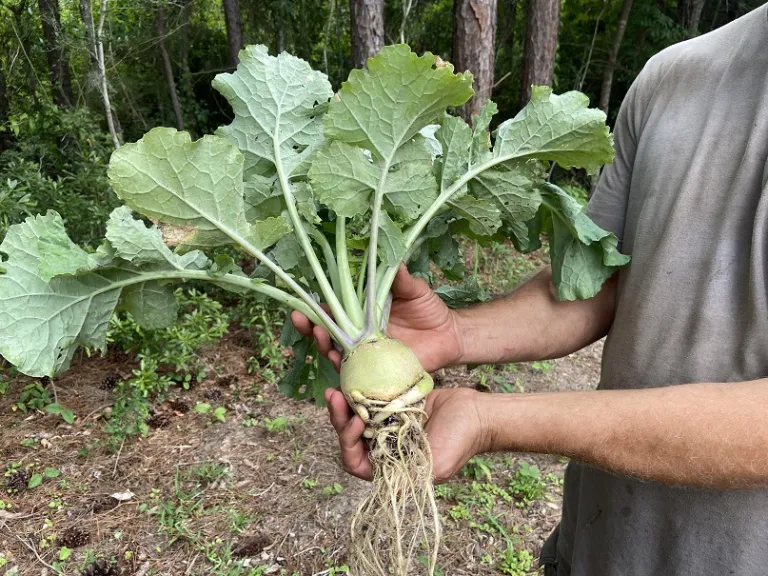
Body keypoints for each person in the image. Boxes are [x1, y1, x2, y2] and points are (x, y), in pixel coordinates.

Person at [292, 4, 768, 575]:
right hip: (601, 541)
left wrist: (492, 420)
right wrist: (456, 334)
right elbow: (604, 279)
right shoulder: (674, 75)